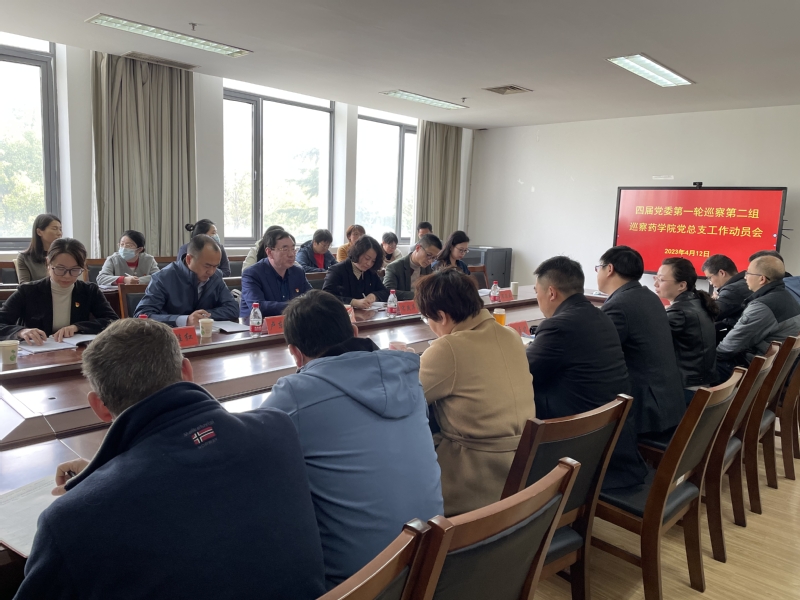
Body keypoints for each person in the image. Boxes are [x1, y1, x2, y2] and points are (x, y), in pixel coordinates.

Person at [13, 318, 326, 600]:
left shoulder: (68, 522)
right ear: (187, 371)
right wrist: (105, 473)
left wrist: (101, 484)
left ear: (99, 407)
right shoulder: (278, 429)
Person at [262, 290, 443, 588]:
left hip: (356, 584)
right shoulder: (407, 375)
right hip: (430, 561)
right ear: (355, 332)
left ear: (294, 353)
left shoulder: (295, 394)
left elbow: (252, 454)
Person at [417, 269, 534, 516]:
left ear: (442, 316)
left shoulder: (448, 348)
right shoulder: (511, 335)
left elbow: (405, 399)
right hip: (523, 471)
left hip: (474, 477)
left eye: (427, 318)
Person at [526, 256, 647, 489]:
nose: (537, 298)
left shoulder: (559, 325)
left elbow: (522, 375)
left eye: (536, 292)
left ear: (551, 293)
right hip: (609, 434)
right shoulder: (599, 315)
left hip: (578, 441)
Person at [596, 246, 685, 435]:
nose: (597, 273)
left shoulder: (618, 305)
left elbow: (597, 354)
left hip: (647, 413)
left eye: (598, 268)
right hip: (669, 404)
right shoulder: (649, 297)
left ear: (609, 269)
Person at [0, 238, 118, 344]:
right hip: (36, 353)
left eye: (75, 270)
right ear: (48, 263)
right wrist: (21, 331)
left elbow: (113, 321)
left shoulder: (89, 291)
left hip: (74, 353)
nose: (67, 276)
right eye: (60, 269)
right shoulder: (28, 291)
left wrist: (77, 327)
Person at [716, 255, 800, 382]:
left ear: (762, 279)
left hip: (758, 372)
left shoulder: (762, 306)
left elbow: (728, 348)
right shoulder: (786, 296)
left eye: (748, 273)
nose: (745, 277)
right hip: (779, 367)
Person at [134, 235, 239, 326]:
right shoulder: (163, 278)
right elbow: (142, 315)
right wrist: (185, 320)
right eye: (207, 266)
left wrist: (202, 316)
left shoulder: (216, 276)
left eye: (215, 266)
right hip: (171, 337)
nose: (211, 272)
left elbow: (233, 308)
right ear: (189, 259)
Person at [654, 258, 718, 403]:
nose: (655, 284)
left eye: (661, 280)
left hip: (687, 389)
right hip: (699, 382)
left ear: (682, 285)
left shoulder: (679, 313)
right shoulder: (697, 302)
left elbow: (651, 343)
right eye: (656, 278)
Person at [241, 229, 312, 318]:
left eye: (293, 249)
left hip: (291, 323)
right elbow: (258, 305)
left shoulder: (297, 272)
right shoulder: (253, 274)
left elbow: (311, 297)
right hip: (256, 324)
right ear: (269, 252)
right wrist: (297, 306)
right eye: (285, 249)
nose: (291, 254)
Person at [323, 235, 389, 308]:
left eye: (373, 261)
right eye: (367, 258)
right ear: (358, 253)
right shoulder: (337, 270)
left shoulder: (370, 271)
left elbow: (385, 292)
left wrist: (374, 295)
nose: (369, 263)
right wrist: (353, 302)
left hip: (366, 313)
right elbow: (326, 297)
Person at [702, 254, 750, 340]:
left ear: (721, 273)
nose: (710, 283)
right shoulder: (743, 283)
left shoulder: (733, 290)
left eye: (709, 278)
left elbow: (712, 315)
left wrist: (711, 301)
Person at [383, 233, 442, 300]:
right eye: (428, 255)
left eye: (434, 258)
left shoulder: (428, 268)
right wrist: (419, 295)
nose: (430, 261)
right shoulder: (394, 267)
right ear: (418, 248)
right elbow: (387, 292)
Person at [96, 230, 160, 286]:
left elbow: (159, 277)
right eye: (122, 244)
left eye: (129, 245)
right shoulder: (112, 259)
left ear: (139, 249)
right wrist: (124, 280)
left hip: (144, 294)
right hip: (118, 295)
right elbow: (101, 278)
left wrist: (138, 280)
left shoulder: (149, 260)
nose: (124, 248)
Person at [15, 213, 62, 283]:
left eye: (60, 229)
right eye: (54, 229)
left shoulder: (65, 254)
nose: (59, 233)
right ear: (39, 232)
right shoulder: (24, 258)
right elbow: (24, 286)